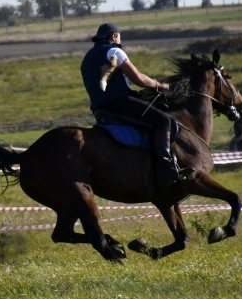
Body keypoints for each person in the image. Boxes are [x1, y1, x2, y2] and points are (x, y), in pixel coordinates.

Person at [81, 23, 193, 188]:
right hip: (119, 102)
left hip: (99, 109)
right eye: (119, 36)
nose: (120, 40)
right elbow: (138, 79)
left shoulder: (87, 58)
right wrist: (159, 85)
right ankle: (167, 168)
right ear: (113, 36)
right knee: (164, 121)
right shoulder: (114, 51)